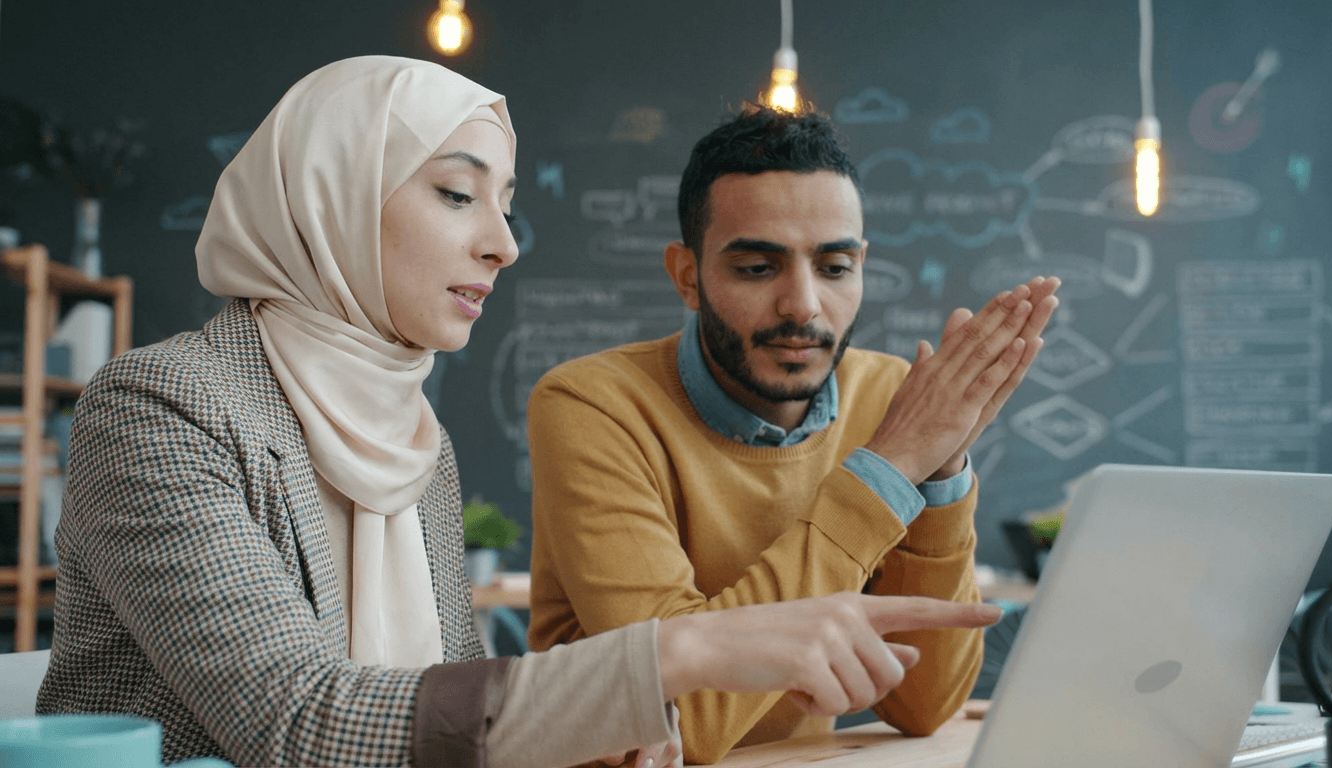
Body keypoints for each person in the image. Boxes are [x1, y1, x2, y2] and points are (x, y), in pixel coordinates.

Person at [34, 57, 1004, 768]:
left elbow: (469, 726)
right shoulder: (163, 408)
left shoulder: (416, 442)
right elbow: (298, 721)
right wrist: (688, 651)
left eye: (501, 204)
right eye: (458, 194)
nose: (502, 242)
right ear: (329, 199)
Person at [526, 104, 1061, 762]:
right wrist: (889, 469)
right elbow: (676, 715)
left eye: (834, 268)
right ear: (688, 276)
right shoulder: (590, 404)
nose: (803, 305)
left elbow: (925, 707)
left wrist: (943, 470)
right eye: (757, 268)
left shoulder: (892, 398)